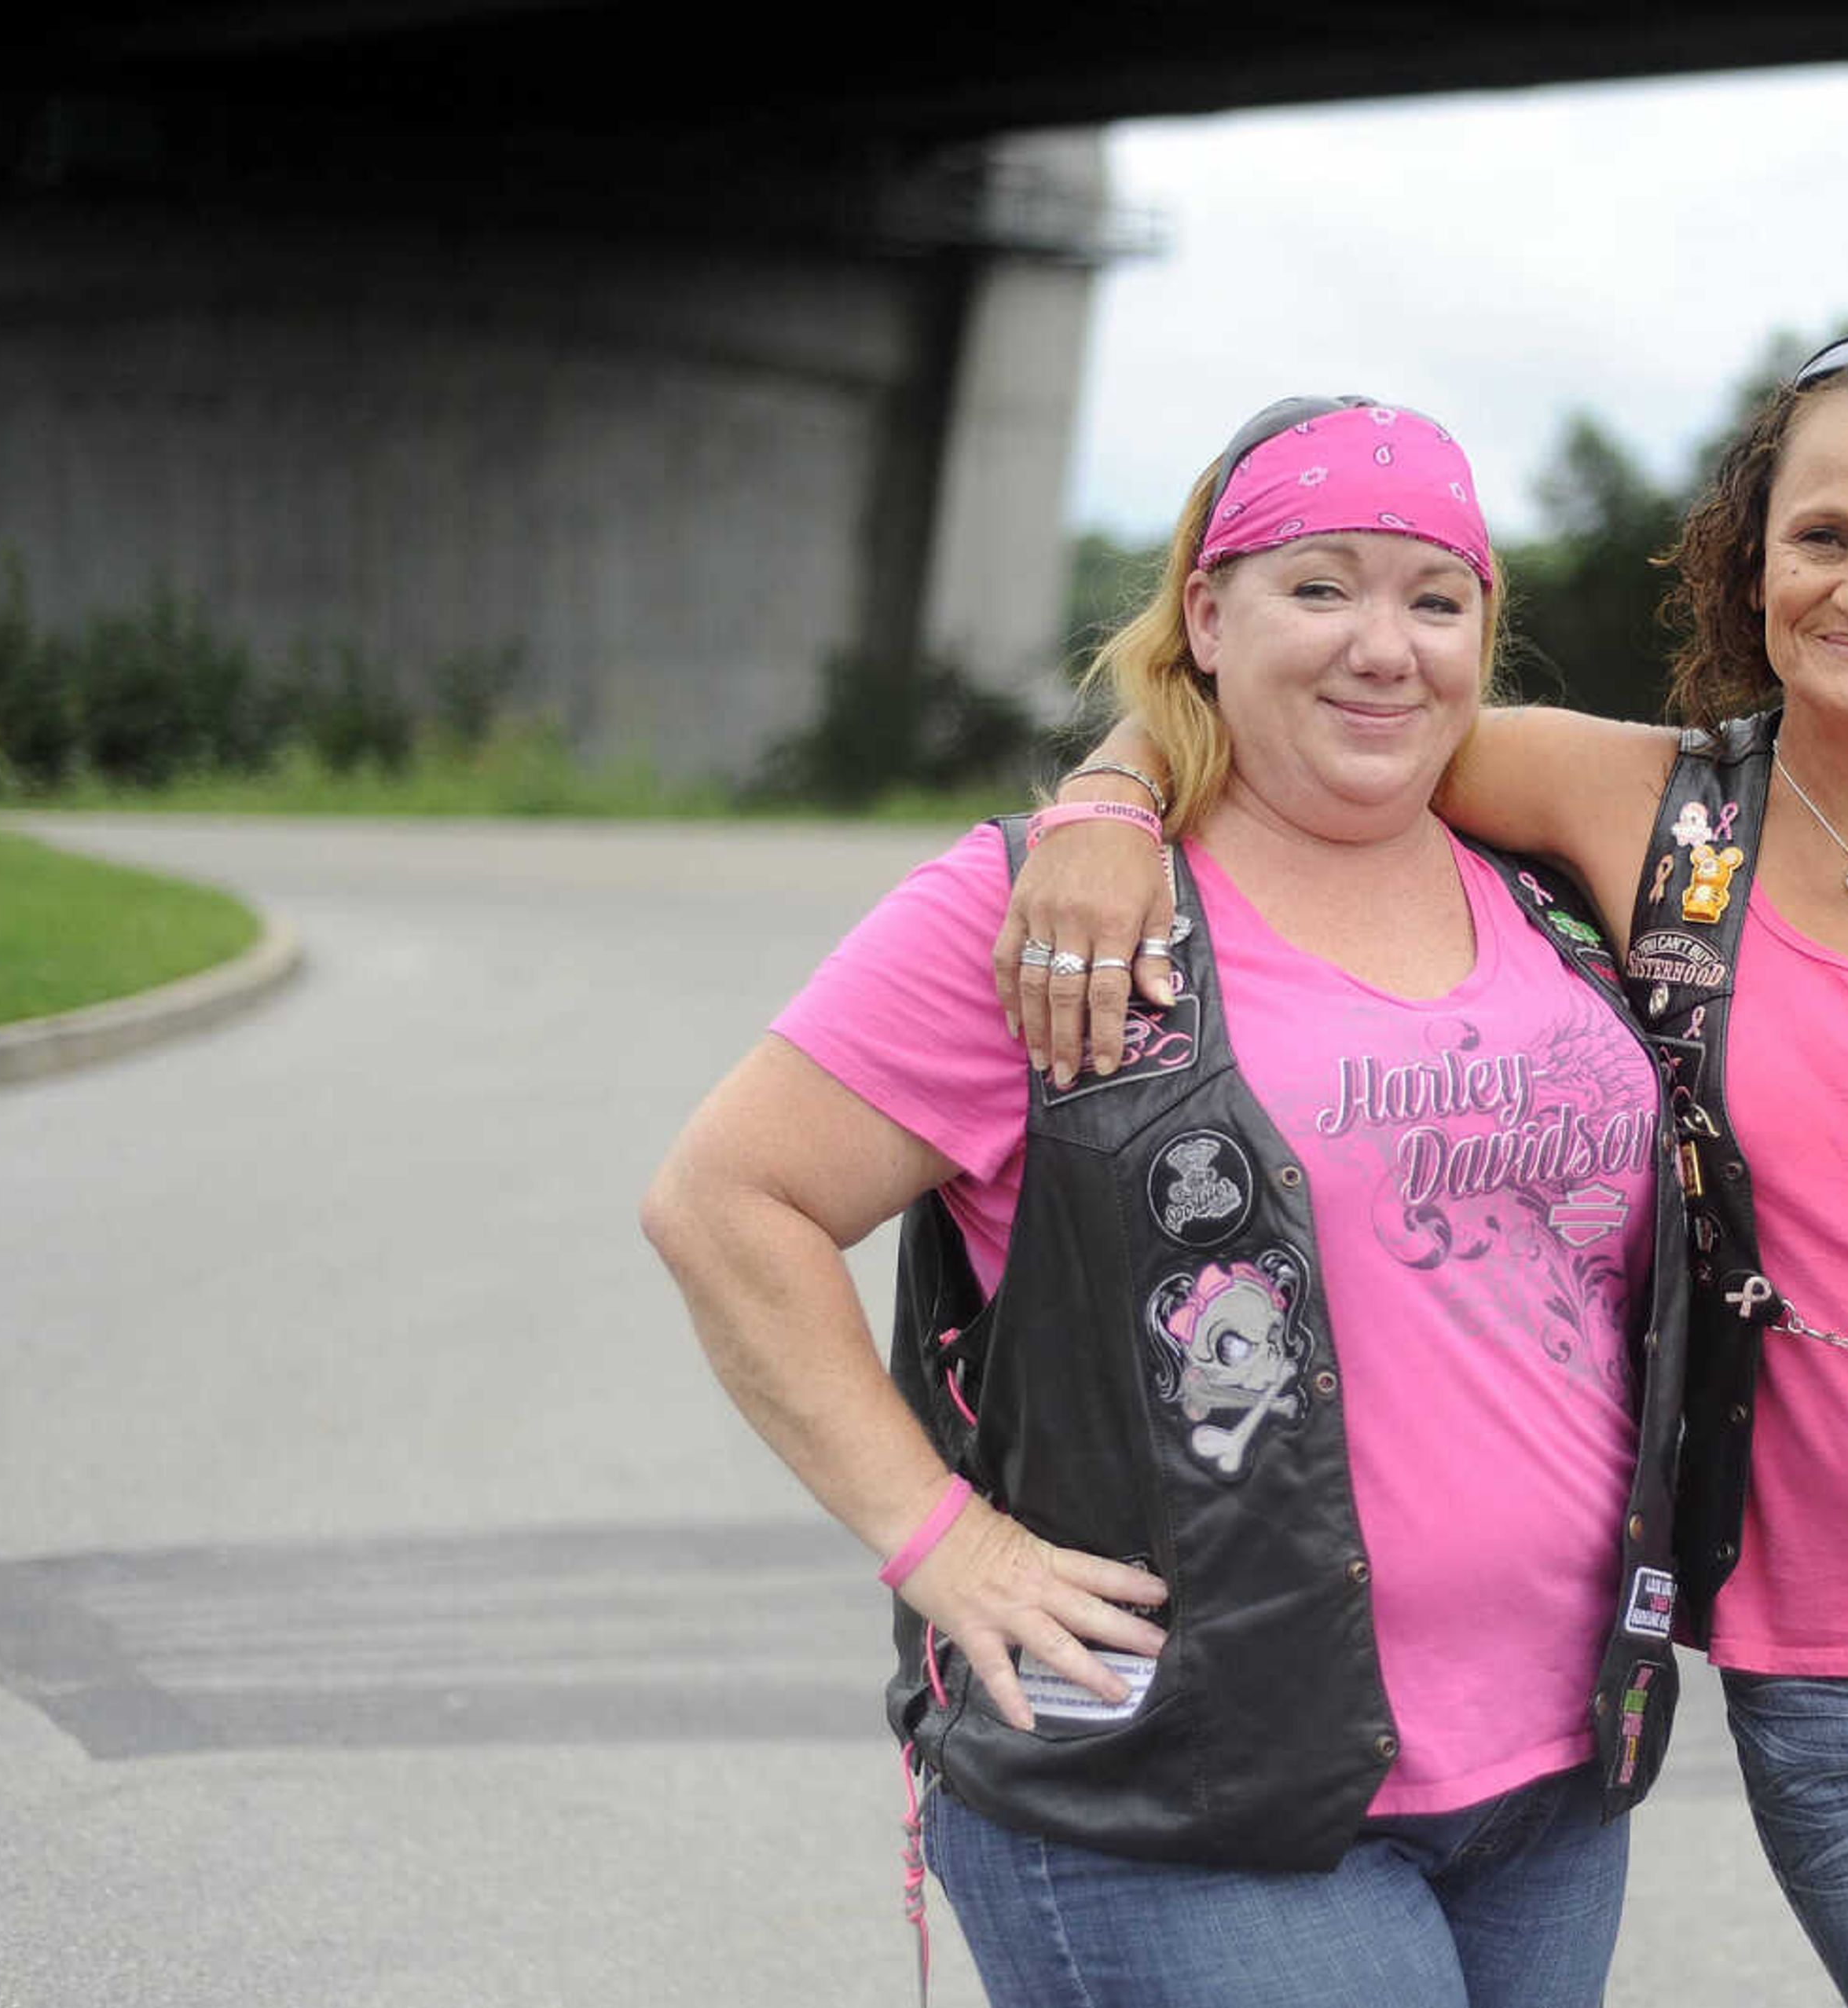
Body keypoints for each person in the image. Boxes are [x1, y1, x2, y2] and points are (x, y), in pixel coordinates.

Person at [999, 335, 1848, 2008]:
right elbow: (1327, 709)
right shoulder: (1640, 804)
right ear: (1756, 558)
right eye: (1822, 537)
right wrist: (1104, 800)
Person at [640, 393, 1692, 2008]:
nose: (1383, 646)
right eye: (1319, 587)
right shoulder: (1050, 914)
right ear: (1207, 614)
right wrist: (937, 1540)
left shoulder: (1545, 894)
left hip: (1548, 1777)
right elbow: (727, 1201)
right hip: (1182, 1796)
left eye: (1435, 597)